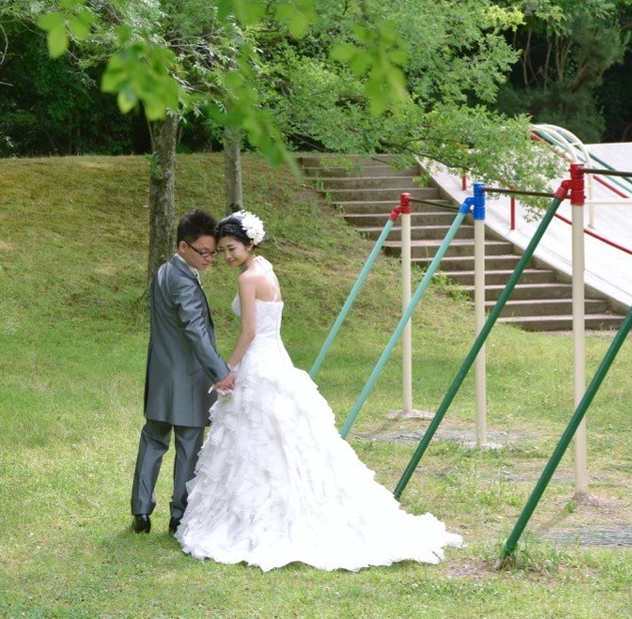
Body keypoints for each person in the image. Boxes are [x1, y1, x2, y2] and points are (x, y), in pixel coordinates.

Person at [176, 210, 463, 571]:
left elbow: (249, 332)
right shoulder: (264, 267)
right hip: (274, 358)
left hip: (258, 361)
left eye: (232, 248)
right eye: (222, 251)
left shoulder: (248, 278)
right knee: (275, 439)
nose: (227, 256)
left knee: (259, 438)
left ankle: (260, 518)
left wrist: (226, 370)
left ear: (250, 244)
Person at [131, 209, 236, 535]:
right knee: (188, 447)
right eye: (203, 252)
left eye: (213, 252)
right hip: (188, 378)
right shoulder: (184, 283)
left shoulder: (163, 272)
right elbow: (195, 333)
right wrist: (220, 371)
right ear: (183, 247)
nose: (209, 258)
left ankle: (141, 511)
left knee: (153, 440)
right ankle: (180, 516)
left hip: (161, 374)